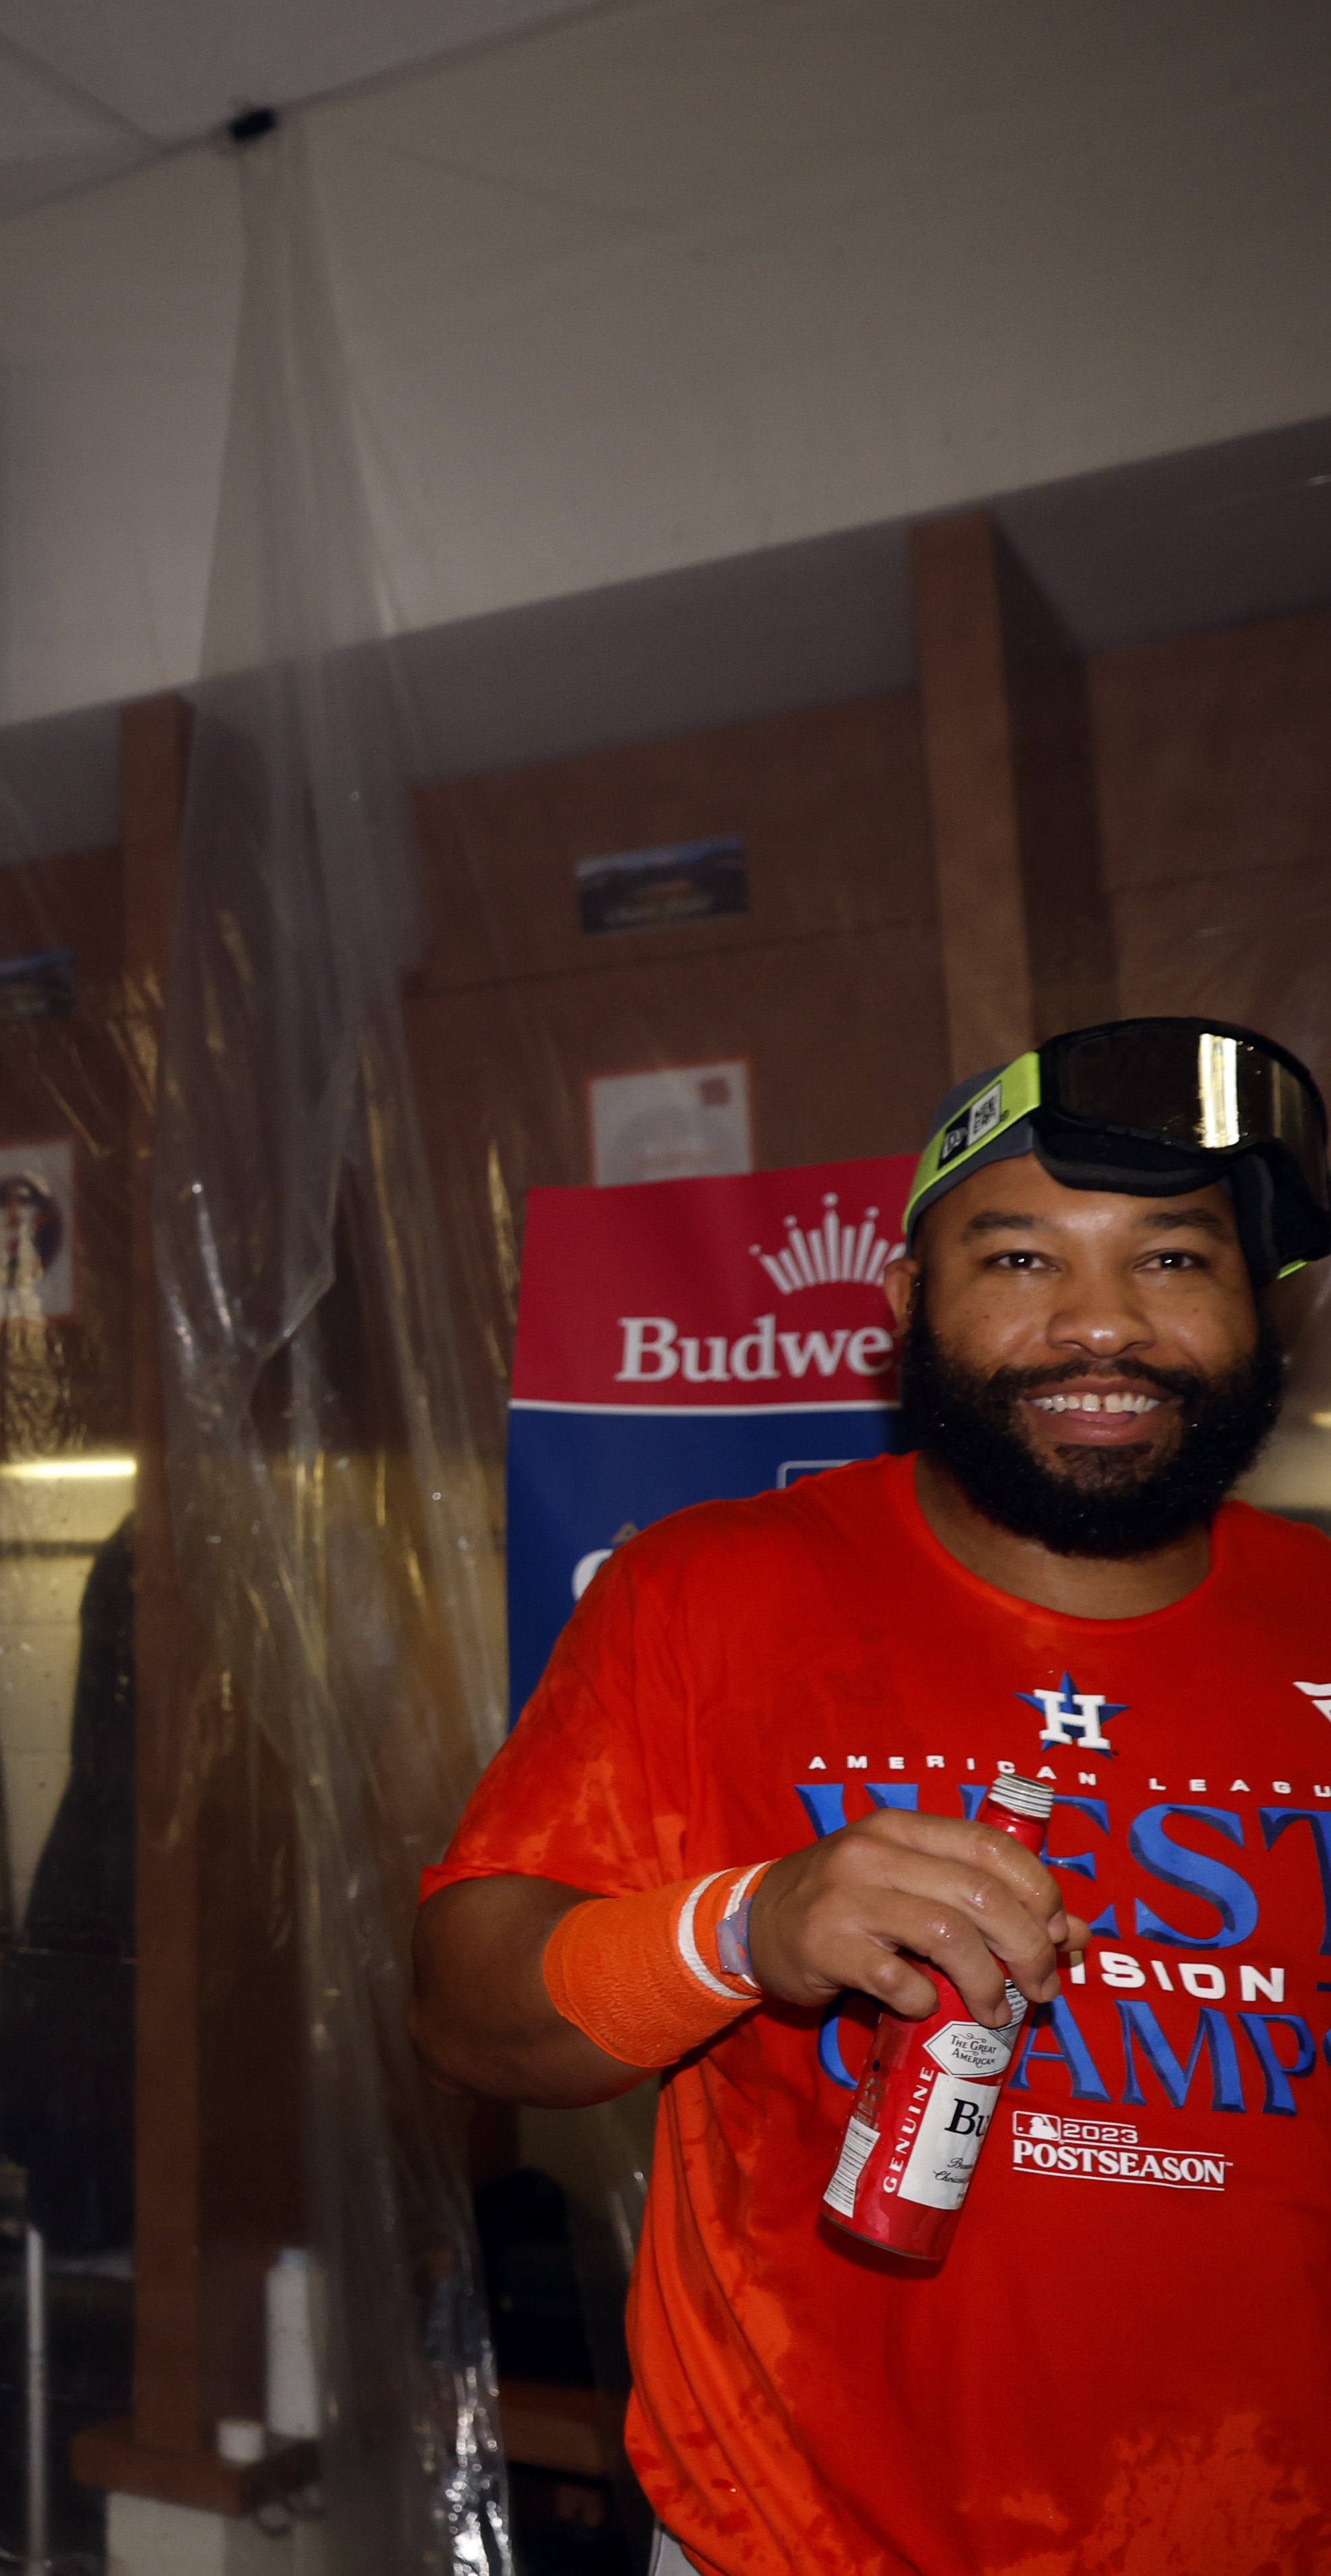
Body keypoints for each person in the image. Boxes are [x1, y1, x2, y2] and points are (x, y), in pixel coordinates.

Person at [410, 1016, 1331, 2575]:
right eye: (1021, 1257)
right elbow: (460, 2007)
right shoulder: (706, 1587)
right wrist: (743, 1927)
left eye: (1171, 1261)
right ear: (907, 1301)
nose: (1097, 1324)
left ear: (1263, 1314)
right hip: (797, 2538)